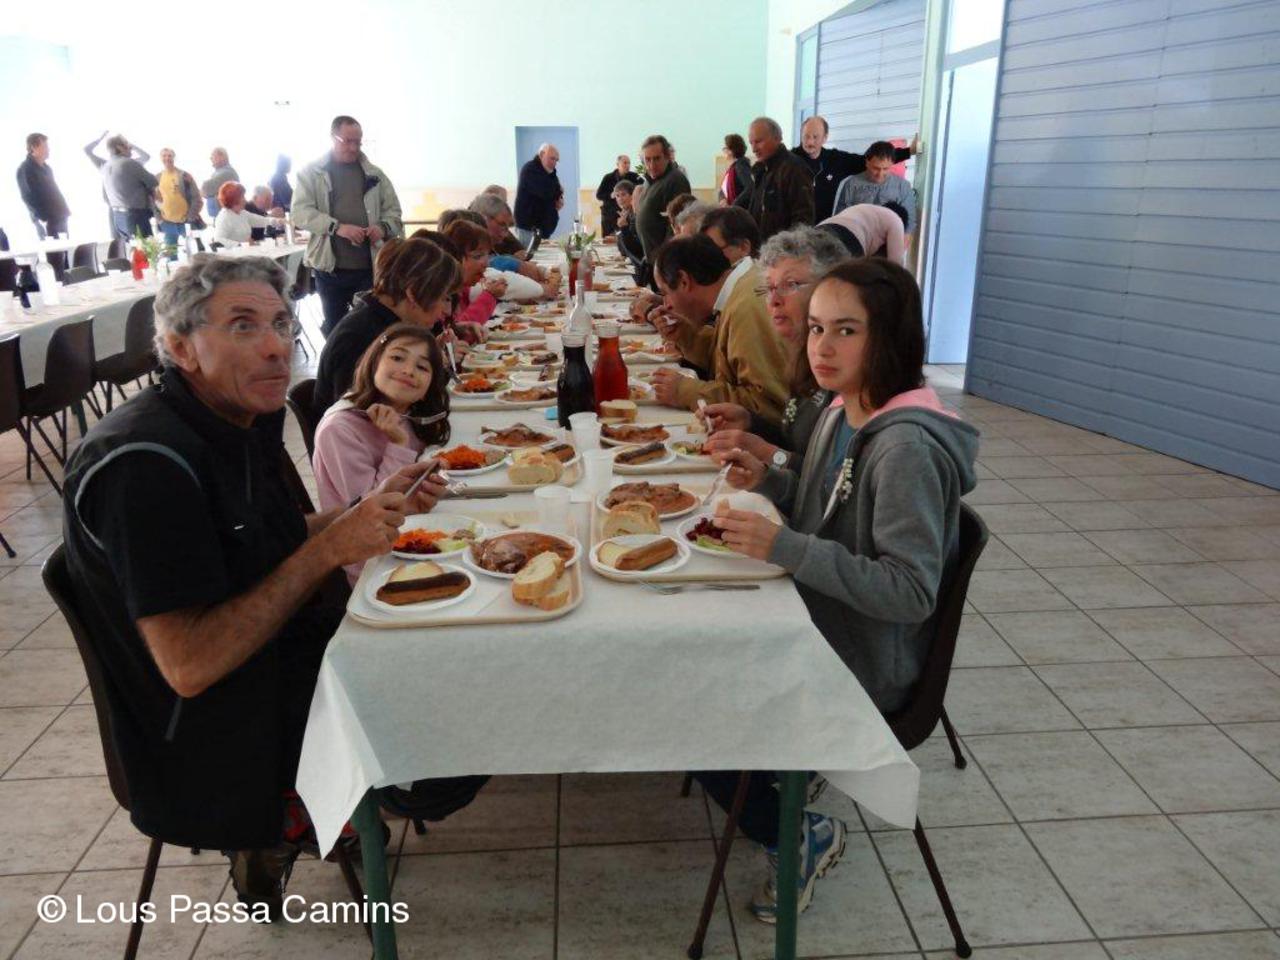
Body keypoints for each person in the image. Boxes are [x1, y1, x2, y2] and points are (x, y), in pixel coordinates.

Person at [59, 253, 452, 913]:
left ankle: (304, 818)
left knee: (454, 637)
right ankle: (282, 821)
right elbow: (191, 664)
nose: (276, 347)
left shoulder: (235, 417)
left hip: (281, 653)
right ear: (181, 348)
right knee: (453, 704)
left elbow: (268, 537)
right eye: (243, 326)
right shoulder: (144, 466)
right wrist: (330, 547)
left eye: (281, 323)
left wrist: (369, 508)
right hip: (215, 726)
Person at [697, 258, 978, 923]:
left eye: (846, 330)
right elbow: (824, 501)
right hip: (818, 623)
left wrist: (785, 548)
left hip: (864, 658)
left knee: (690, 699)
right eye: (818, 328)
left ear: (891, 339)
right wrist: (769, 478)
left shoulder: (904, 448)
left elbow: (909, 591)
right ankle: (778, 780)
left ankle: (798, 831)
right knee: (692, 653)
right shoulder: (841, 410)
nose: (821, 347)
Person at [701, 225, 848, 473]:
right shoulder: (802, 357)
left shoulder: (842, 367)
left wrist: (769, 454)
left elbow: (835, 483)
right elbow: (797, 443)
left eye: (790, 284)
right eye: (769, 287)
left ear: (831, 288)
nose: (774, 300)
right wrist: (749, 422)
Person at [313, 324, 452, 583]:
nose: (408, 370)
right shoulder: (340, 428)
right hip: (373, 562)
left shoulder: (407, 414)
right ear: (374, 362)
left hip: (414, 529)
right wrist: (397, 444)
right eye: (397, 357)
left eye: (422, 367)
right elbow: (371, 511)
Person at [312, 237, 459, 418]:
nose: (447, 310)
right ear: (413, 294)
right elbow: (360, 417)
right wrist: (436, 370)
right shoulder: (360, 336)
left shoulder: (385, 320)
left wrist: (434, 359)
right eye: (444, 298)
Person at [647, 234, 788, 419]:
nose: (666, 305)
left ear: (684, 281)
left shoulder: (746, 309)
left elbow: (768, 405)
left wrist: (687, 391)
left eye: (665, 293)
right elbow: (730, 364)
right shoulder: (736, 290)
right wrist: (688, 336)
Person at [292, 115, 405, 336]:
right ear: (332, 138)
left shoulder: (376, 174)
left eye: (358, 142)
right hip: (329, 269)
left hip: (370, 268)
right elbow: (300, 213)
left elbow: (394, 212)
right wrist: (337, 227)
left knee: (370, 328)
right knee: (335, 328)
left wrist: (382, 227)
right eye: (347, 141)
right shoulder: (311, 173)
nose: (353, 148)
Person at [794, 117, 914, 222]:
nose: (810, 142)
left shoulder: (835, 159)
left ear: (825, 138)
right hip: (794, 230)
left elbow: (870, 160)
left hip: (824, 230)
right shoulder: (790, 161)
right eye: (806, 136)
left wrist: (908, 151)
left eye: (815, 137)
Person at [745, 117, 815, 242]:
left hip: (780, 250)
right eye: (751, 143)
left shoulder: (794, 169)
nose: (754, 149)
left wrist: (787, 249)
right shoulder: (761, 169)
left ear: (777, 138)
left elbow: (803, 220)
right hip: (761, 248)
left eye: (758, 141)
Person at [441, 219, 507, 342]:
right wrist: (490, 296)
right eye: (477, 256)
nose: (486, 264)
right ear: (455, 258)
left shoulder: (463, 290)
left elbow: (457, 327)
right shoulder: (443, 293)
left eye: (487, 256)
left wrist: (463, 328)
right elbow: (452, 338)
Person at [84, 132, 158, 240]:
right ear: (119, 147)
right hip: (135, 216)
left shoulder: (105, 165)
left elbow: (87, 150)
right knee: (145, 248)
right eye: (127, 145)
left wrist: (99, 139)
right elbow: (153, 182)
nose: (130, 148)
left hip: (118, 217)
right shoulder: (130, 163)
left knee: (130, 248)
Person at [832, 142, 917, 234]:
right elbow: (841, 219)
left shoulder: (903, 186)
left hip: (890, 238)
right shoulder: (851, 184)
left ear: (892, 164)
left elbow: (909, 225)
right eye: (876, 168)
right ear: (867, 163)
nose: (880, 174)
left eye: (885, 169)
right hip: (858, 237)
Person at [635, 134, 691, 260]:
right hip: (652, 257)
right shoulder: (650, 181)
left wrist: (663, 258)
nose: (651, 165)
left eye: (657, 159)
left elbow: (678, 224)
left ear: (667, 157)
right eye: (647, 159)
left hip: (665, 259)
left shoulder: (675, 180)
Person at [16, 133, 70, 240]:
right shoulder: (25, 169)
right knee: (54, 250)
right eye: (45, 146)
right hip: (47, 220)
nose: (48, 149)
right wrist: (42, 218)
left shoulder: (46, 168)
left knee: (65, 248)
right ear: (33, 148)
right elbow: (27, 197)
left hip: (60, 216)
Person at [819, 202, 908, 261]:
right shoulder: (896, 220)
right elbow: (895, 267)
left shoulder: (865, 209)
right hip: (848, 237)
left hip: (821, 229)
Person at [513, 143, 563, 246]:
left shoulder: (550, 172)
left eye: (556, 160)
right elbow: (546, 192)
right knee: (530, 255)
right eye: (552, 158)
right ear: (541, 154)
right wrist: (557, 193)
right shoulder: (530, 169)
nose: (554, 163)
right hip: (529, 229)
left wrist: (559, 197)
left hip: (543, 229)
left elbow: (557, 191)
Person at [155, 148, 202, 250]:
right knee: (171, 255)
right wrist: (159, 219)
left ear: (174, 158)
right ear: (160, 158)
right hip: (167, 223)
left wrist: (190, 217)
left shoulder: (184, 175)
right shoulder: (157, 177)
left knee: (195, 251)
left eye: (170, 155)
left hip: (186, 222)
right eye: (164, 156)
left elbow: (196, 197)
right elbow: (154, 200)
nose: (167, 158)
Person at [213, 182, 283, 244]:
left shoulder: (242, 213)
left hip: (246, 251)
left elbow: (262, 221)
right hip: (233, 254)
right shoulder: (224, 217)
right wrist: (241, 244)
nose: (245, 200)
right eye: (242, 197)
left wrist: (279, 221)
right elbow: (219, 240)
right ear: (234, 199)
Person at [595, 154, 642, 236]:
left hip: (627, 214)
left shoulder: (634, 176)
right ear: (618, 164)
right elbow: (599, 195)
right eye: (625, 163)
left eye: (629, 163)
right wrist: (611, 195)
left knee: (625, 235)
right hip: (610, 214)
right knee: (608, 239)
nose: (628, 165)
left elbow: (643, 188)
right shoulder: (608, 177)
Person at [469, 191, 525, 257]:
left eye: (507, 227)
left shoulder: (500, 240)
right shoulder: (465, 242)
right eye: (502, 225)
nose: (506, 234)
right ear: (484, 218)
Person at [201, 147, 239, 217]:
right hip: (221, 216)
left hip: (227, 217)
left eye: (213, 156)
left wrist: (207, 192)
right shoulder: (219, 172)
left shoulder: (227, 173)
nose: (210, 159)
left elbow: (205, 189)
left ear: (222, 157)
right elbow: (204, 192)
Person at [719, 133, 753, 207]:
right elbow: (723, 189)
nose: (724, 151)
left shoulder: (741, 165)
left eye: (725, 148)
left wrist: (734, 205)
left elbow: (750, 188)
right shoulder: (732, 167)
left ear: (732, 150)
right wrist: (722, 199)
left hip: (739, 210)